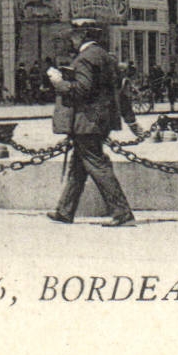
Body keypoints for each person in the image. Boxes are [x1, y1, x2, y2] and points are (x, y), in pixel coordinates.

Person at [45, 21, 136, 227]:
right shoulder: (105, 56)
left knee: (97, 165)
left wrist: (59, 82)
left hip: (86, 121)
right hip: (100, 120)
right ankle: (64, 211)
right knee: (78, 167)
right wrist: (130, 119)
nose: (72, 40)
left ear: (82, 36)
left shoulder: (85, 58)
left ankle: (122, 213)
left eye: (74, 36)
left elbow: (81, 89)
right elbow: (118, 89)